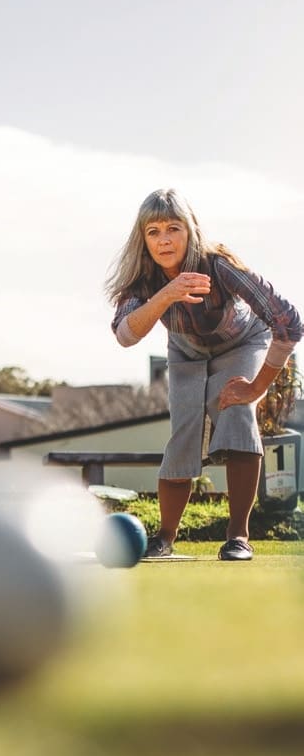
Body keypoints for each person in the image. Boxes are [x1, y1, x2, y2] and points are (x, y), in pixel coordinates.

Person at [106, 188, 301, 561]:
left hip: (241, 343)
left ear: (190, 230)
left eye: (173, 228)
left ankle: (238, 536)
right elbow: (125, 335)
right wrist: (167, 294)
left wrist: (257, 387)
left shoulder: (218, 264)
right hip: (186, 351)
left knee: (235, 412)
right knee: (184, 431)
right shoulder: (142, 279)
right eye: (154, 231)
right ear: (143, 238)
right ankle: (164, 537)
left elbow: (288, 323)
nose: (164, 239)